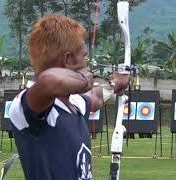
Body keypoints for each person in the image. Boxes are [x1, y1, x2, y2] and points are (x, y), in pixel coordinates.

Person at [9, 15, 130, 180]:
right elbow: (49, 80)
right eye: (84, 56)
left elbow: (95, 98)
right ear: (67, 59)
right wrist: (83, 80)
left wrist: (115, 83)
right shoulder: (28, 105)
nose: (87, 63)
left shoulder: (74, 102)